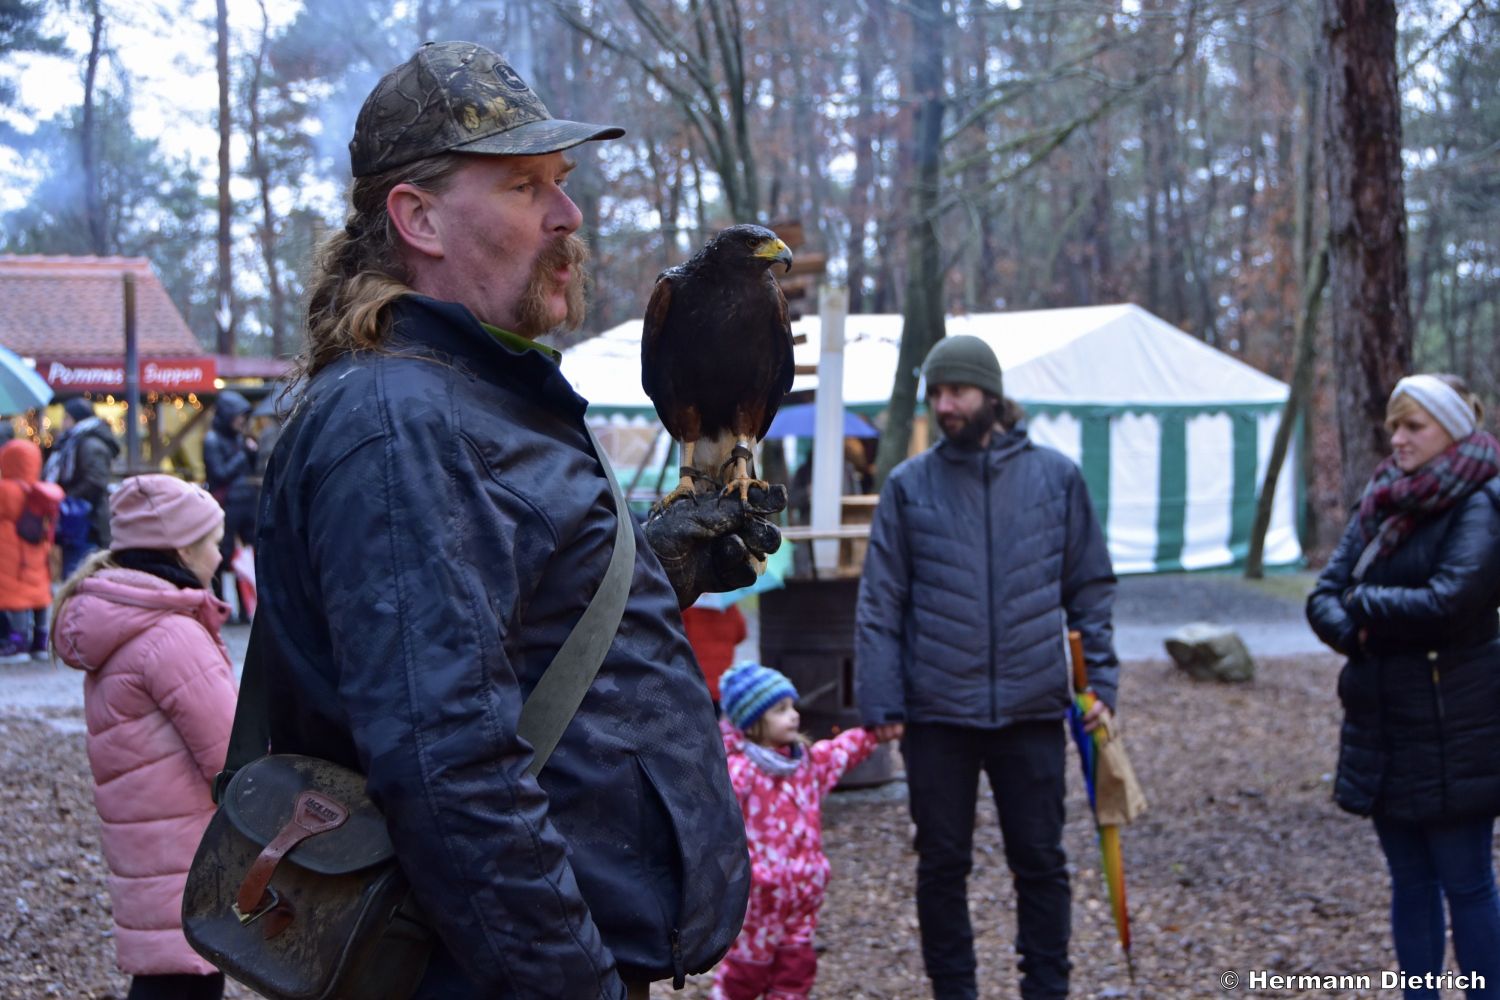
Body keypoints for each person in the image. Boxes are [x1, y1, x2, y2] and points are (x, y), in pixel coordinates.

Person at [254, 41, 783, 999]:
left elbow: (498, 637)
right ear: (417, 218)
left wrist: (644, 573)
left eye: (562, 180)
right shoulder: (401, 426)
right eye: (523, 186)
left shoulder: (476, 395)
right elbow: (450, 771)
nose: (567, 214)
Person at [854, 335, 1119, 1000]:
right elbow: (881, 600)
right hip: (937, 712)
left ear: (992, 396)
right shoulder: (909, 487)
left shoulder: (1056, 479)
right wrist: (881, 700)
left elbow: (1090, 590)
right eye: (936, 393)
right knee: (942, 865)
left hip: (1032, 707)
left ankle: (1047, 989)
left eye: (958, 392)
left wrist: (1100, 686)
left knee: (1042, 862)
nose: (944, 405)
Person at [1307, 374, 1500, 998]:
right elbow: (1323, 595)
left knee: (1466, 884)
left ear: (1452, 431)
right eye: (1395, 426)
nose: (1398, 439)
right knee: (1410, 883)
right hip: (1385, 727)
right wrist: (1359, 633)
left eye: (1414, 426)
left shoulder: (1482, 501)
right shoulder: (1384, 496)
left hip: (1456, 728)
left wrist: (1364, 606)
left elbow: (1449, 601)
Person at [52, 474, 237, 1000]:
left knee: (166, 978)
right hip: (188, 853)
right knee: (184, 981)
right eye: (213, 543)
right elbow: (231, 758)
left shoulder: (128, 621)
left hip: (151, 847)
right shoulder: (171, 634)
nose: (221, 556)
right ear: (182, 549)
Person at [713, 662, 884, 1000]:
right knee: (746, 973)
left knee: (797, 969)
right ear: (753, 720)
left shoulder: (805, 764)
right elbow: (714, 817)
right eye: (780, 710)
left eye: (792, 706)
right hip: (758, 899)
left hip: (803, 893)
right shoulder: (740, 772)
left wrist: (874, 734)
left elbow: (840, 751)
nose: (793, 716)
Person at [0, 440, 64, 662]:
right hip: (37, 552)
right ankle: (40, 641)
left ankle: (18, 644)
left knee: (15, 595)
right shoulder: (40, 490)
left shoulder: (5, 489)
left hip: (10, 554)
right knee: (39, 595)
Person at [44, 397, 120, 578]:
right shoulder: (73, 442)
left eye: (66, 417)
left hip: (88, 524)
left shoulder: (89, 444)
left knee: (79, 574)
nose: (63, 423)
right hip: (79, 522)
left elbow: (95, 481)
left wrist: (67, 498)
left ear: (77, 418)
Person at [200, 390, 258, 614]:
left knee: (246, 555)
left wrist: (251, 453)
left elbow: (248, 469)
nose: (241, 421)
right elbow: (220, 473)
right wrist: (243, 454)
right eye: (238, 416)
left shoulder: (238, 439)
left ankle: (244, 606)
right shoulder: (212, 440)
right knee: (222, 556)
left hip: (245, 504)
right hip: (226, 506)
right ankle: (221, 603)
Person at [682, 596, 748, 713]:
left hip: (696, 679)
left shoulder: (689, 607)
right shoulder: (729, 607)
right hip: (722, 681)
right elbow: (741, 634)